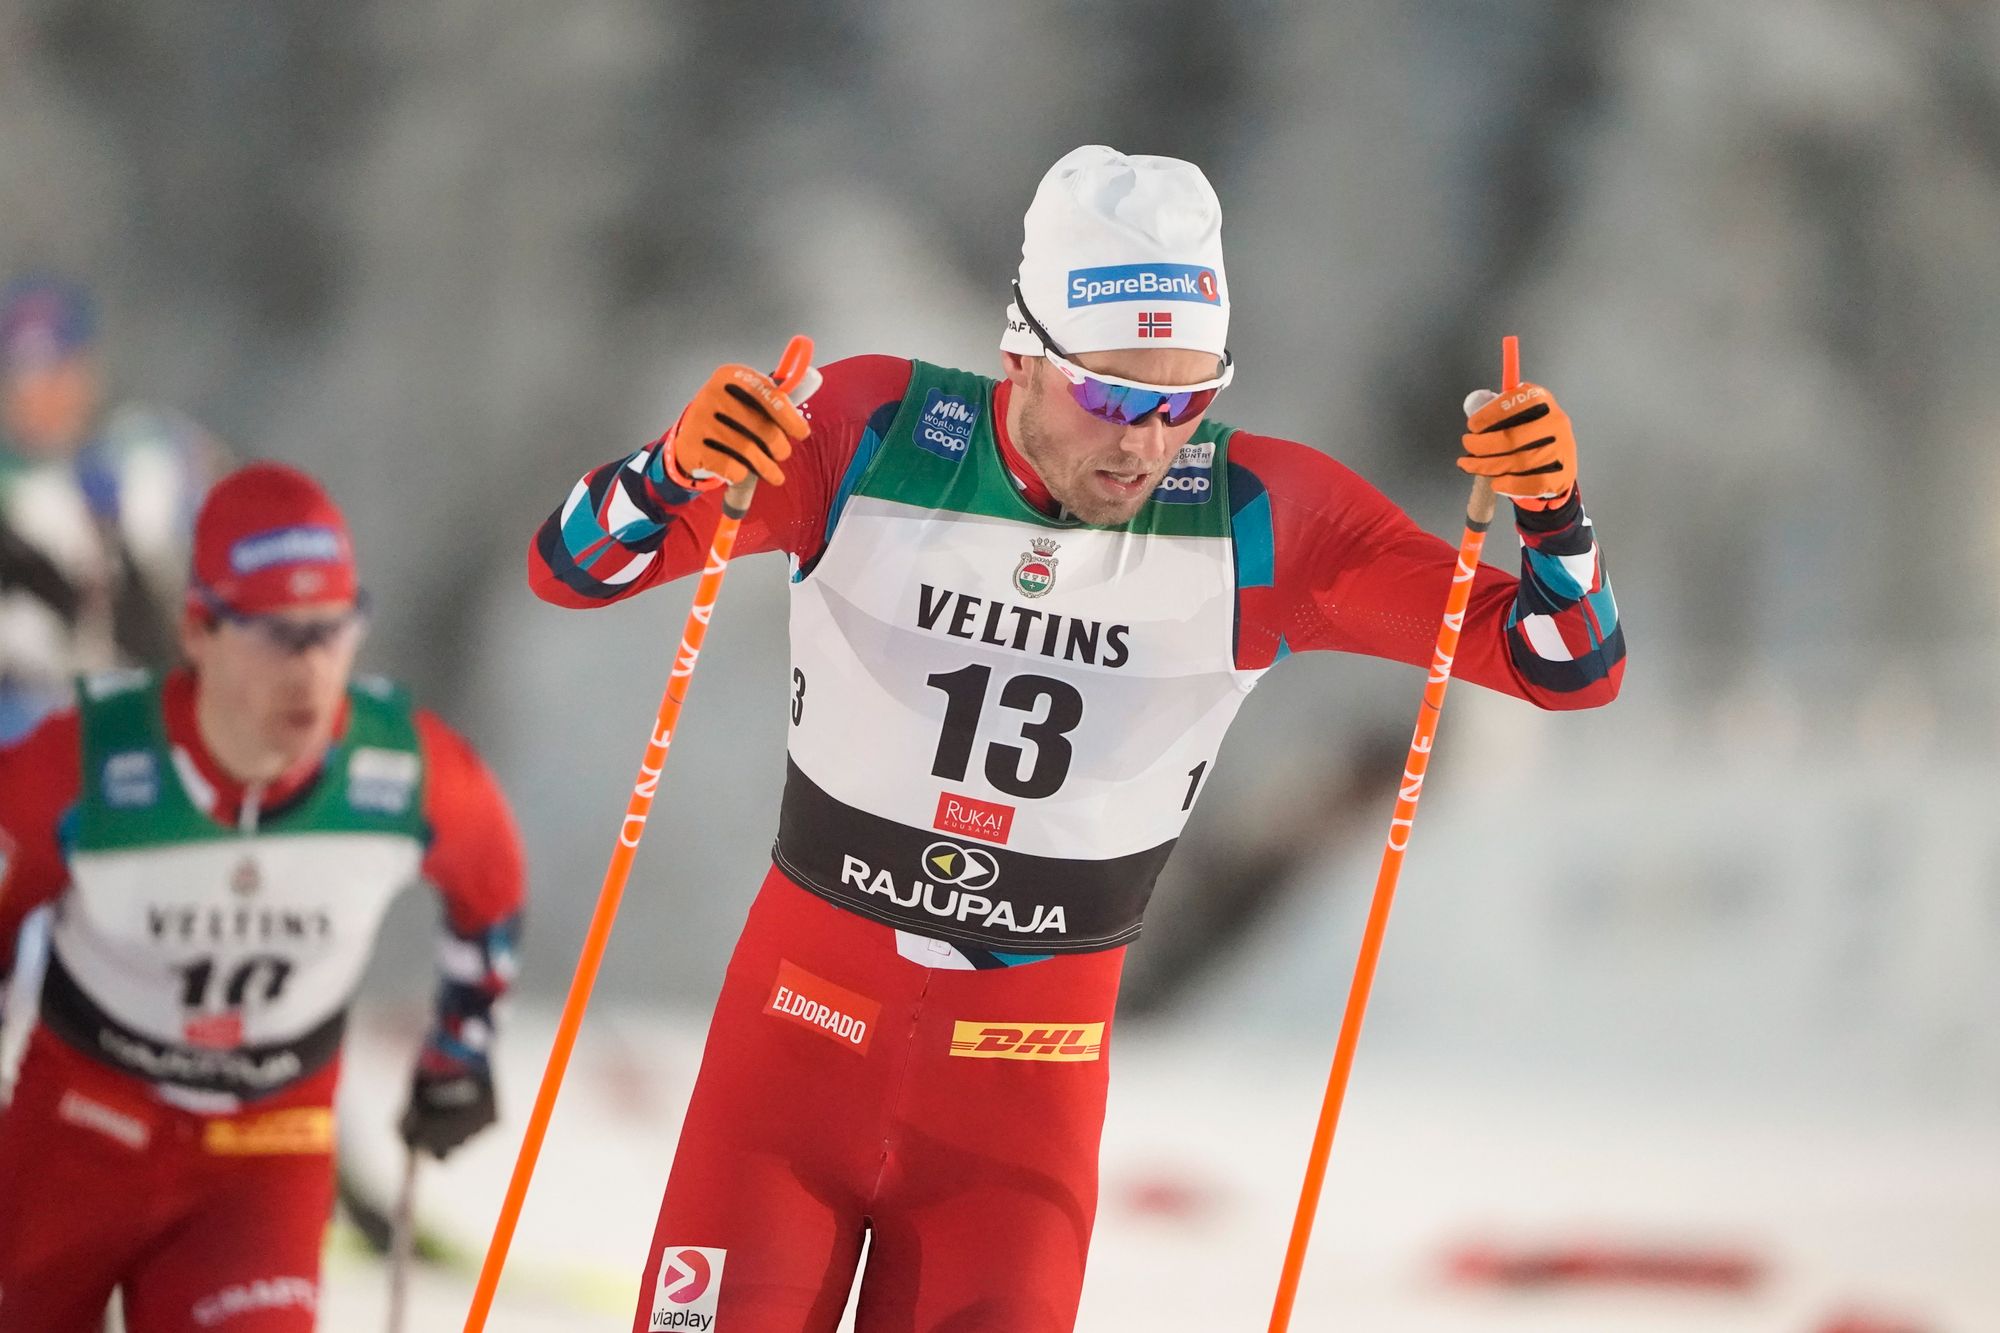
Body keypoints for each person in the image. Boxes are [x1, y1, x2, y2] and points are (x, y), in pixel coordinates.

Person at [529, 144, 1626, 1332]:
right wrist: (672, 469)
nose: (1142, 443)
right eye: (1109, 394)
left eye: (1184, 401)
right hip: (792, 1059)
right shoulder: (873, 430)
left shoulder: (1259, 521)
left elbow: (1560, 665)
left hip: (1015, 1116)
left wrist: (1554, 517)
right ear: (1020, 349)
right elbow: (576, 567)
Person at [0, 462, 525, 1332]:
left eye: (335, 630)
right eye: (280, 635)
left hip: (265, 1154)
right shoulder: (82, 762)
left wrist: (462, 1047)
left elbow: (491, 885)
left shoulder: (403, 773)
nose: (313, 671)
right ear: (199, 627)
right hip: (79, 1137)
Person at [0, 273, 223, 742]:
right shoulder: (10, 488)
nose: (38, 397)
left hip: (161, 714)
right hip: (29, 728)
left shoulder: (156, 453)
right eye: (21, 378)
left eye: (55, 373)